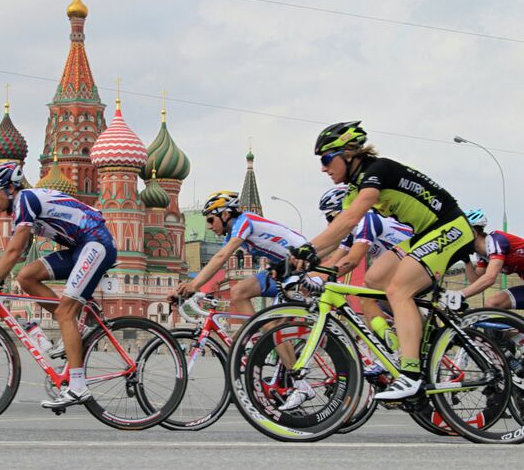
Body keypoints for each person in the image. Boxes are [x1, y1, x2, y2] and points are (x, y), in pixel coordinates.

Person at [293, 121, 474, 401]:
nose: (323, 168)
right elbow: (340, 230)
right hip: (424, 234)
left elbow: (352, 219)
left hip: (451, 227)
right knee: (374, 280)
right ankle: (409, 340)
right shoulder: (353, 189)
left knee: (399, 290)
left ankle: (411, 374)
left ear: (349, 154)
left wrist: (308, 249)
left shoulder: (377, 171)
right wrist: (304, 258)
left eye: (327, 159)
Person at [0, 161, 117, 409]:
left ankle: (78, 387)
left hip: (96, 244)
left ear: (8, 189)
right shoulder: (21, 206)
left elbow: (14, 249)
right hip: (79, 247)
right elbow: (15, 254)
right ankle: (75, 324)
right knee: (26, 276)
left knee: (64, 312)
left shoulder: (25, 198)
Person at [171, 190, 316, 410]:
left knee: (273, 328)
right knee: (239, 292)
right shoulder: (233, 232)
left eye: (211, 219)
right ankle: (258, 335)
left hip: (300, 268)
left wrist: (194, 285)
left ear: (226, 215)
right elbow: (220, 262)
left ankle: (301, 385)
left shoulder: (244, 221)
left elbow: (220, 258)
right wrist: (186, 288)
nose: (209, 226)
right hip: (282, 270)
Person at [318, 185, 413, 352]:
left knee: (366, 294)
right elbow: (334, 260)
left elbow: (352, 260)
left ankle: (389, 353)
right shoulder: (353, 232)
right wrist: (306, 276)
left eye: (331, 217)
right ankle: (394, 351)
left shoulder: (368, 219)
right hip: (398, 272)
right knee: (373, 304)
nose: (329, 224)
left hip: (414, 268)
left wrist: (318, 280)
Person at [445, 209, 524, 310]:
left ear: (473, 233)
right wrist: (467, 261)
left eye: (460, 234)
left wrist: (459, 295)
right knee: (492, 303)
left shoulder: (496, 241)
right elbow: (476, 282)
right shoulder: (483, 254)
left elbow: (490, 278)